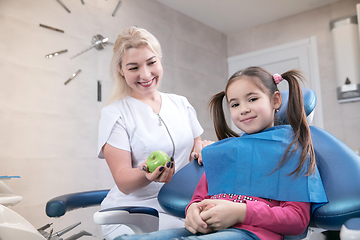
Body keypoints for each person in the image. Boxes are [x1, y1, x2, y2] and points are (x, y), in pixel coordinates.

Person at [115, 66, 327, 240]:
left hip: (251, 234)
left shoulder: (291, 151)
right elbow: (198, 199)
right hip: (207, 230)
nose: (243, 109)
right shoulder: (225, 152)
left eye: (252, 99)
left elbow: (297, 220)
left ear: (276, 100)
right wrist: (192, 212)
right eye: (235, 104)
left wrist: (240, 211)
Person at [97, 26, 204, 240]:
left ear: (160, 59)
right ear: (121, 69)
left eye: (151, 62)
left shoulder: (181, 104)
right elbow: (124, 182)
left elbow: (195, 150)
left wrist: (203, 151)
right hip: (133, 212)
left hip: (181, 207)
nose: (145, 74)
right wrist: (146, 174)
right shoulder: (115, 113)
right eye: (133, 67)